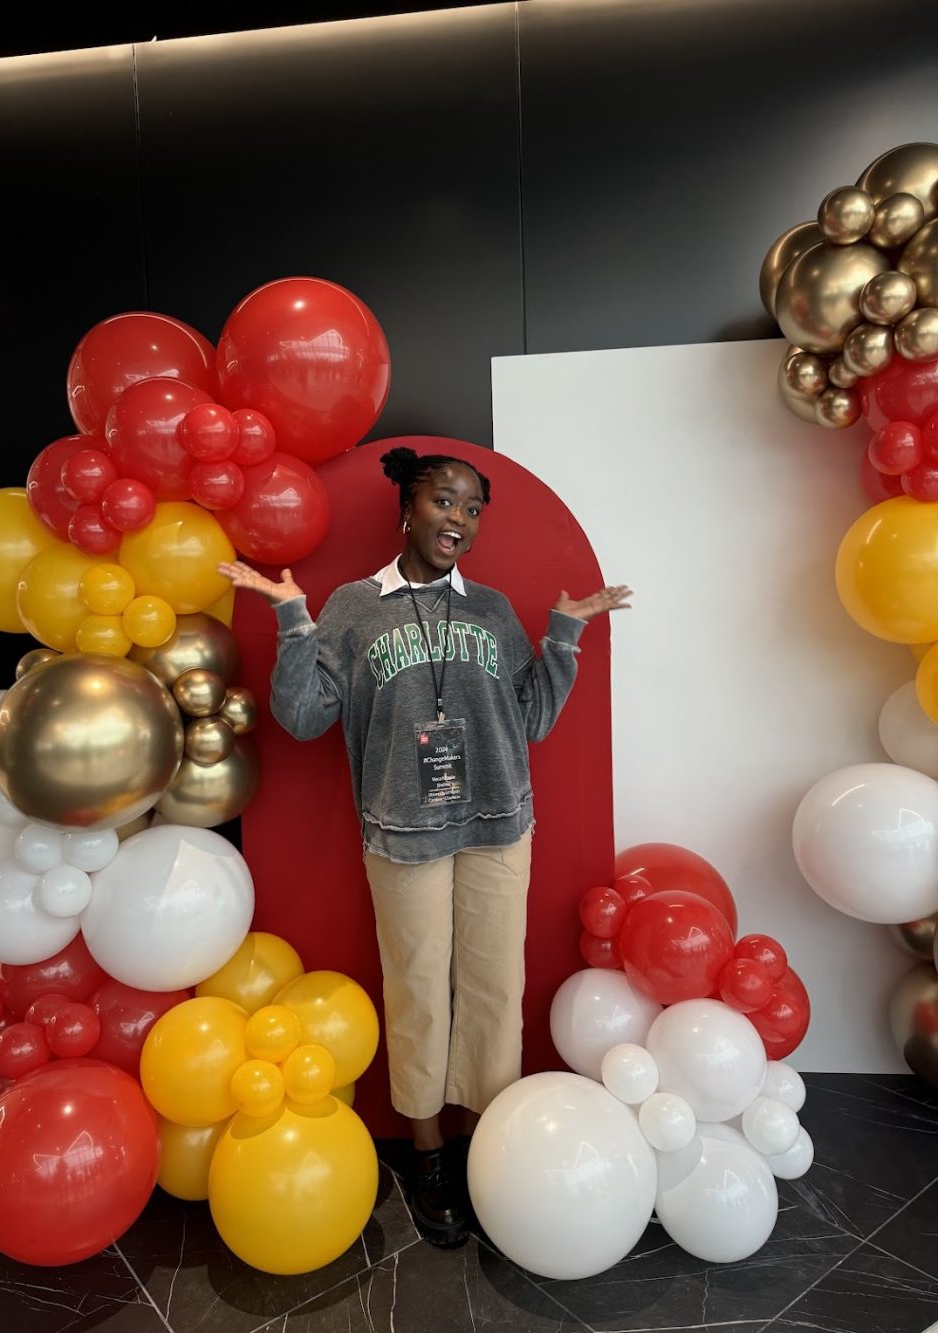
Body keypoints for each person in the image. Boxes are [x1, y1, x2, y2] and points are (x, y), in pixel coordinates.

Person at [218, 446, 631, 1248]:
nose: (461, 521)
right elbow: (303, 715)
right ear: (407, 509)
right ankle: (428, 1151)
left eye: (474, 510)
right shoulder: (352, 606)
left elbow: (534, 719)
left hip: (498, 825)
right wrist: (293, 618)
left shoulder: (494, 612)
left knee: (493, 987)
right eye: (447, 502)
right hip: (403, 833)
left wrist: (565, 636)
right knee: (415, 987)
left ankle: (487, 1142)